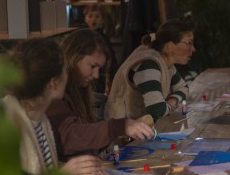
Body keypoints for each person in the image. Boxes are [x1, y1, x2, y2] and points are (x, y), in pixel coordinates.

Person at [1, 38, 106, 175]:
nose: (68, 76)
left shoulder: (40, 119)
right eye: (65, 71)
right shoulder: (7, 123)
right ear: (53, 83)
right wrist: (63, 174)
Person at [46, 29, 155, 161]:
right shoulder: (55, 96)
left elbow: (87, 141)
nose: (96, 75)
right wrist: (120, 126)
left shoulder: (79, 92)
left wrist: (118, 136)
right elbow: (71, 137)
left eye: (99, 68)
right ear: (72, 58)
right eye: (93, 66)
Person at [106, 19, 195, 122]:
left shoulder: (166, 63)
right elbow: (157, 111)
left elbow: (184, 88)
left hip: (139, 127)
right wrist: (170, 104)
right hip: (121, 128)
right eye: (189, 43)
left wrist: (172, 100)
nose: (193, 49)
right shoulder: (149, 64)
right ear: (169, 46)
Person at [83, 4, 117, 94]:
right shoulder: (83, 37)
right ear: (85, 19)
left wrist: (113, 75)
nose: (93, 19)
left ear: (102, 20)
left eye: (97, 17)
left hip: (101, 74)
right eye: (90, 16)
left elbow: (111, 57)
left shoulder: (104, 38)